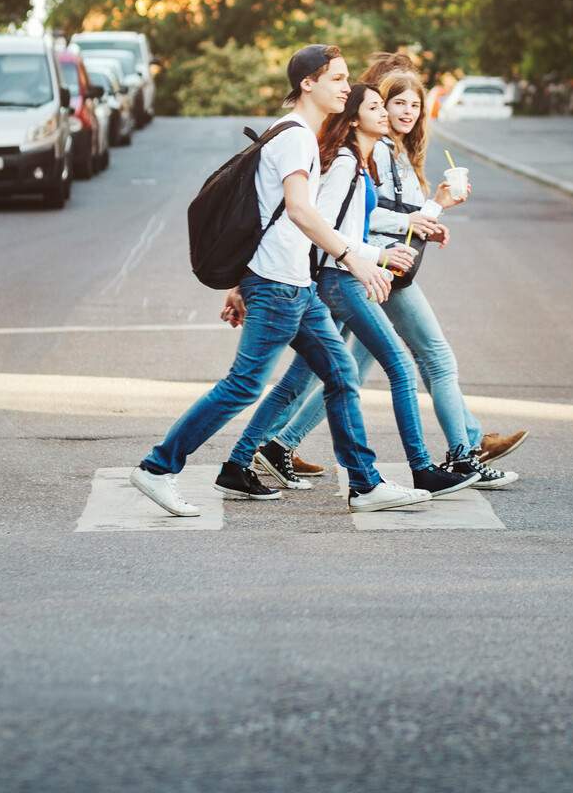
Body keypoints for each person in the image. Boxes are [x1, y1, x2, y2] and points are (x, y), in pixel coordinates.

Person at [127, 45, 431, 517]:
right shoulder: (294, 138)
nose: (347, 88)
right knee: (244, 385)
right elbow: (300, 210)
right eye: (338, 78)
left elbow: (269, 217)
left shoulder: (297, 135)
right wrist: (356, 257)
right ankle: (157, 467)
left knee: (341, 374)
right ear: (308, 83)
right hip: (278, 286)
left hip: (297, 285)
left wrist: (239, 282)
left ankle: (365, 484)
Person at [254, 55, 526, 488]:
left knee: (338, 369)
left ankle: (274, 446)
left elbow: (401, 213)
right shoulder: (366, 152)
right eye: (392, 104)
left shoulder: (394, 150)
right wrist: (402, 231)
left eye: (413, 106)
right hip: (369, 269)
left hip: (377, 271)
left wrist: (433, 210)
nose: (402, 112)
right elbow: (355, 213)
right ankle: (459, 454)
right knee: (428, 358)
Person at [224, 85, 477, 499]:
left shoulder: (357, 163)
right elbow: (321, 225)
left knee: (309, 376)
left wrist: (394, 240)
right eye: (377, 107)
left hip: (336, 278)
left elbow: (354, 220)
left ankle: (240, 460)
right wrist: (374, 257)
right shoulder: (344, 162)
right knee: (397, 366)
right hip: (338, 281)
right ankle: (420, 469)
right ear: (356, 119)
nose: (388, 114)